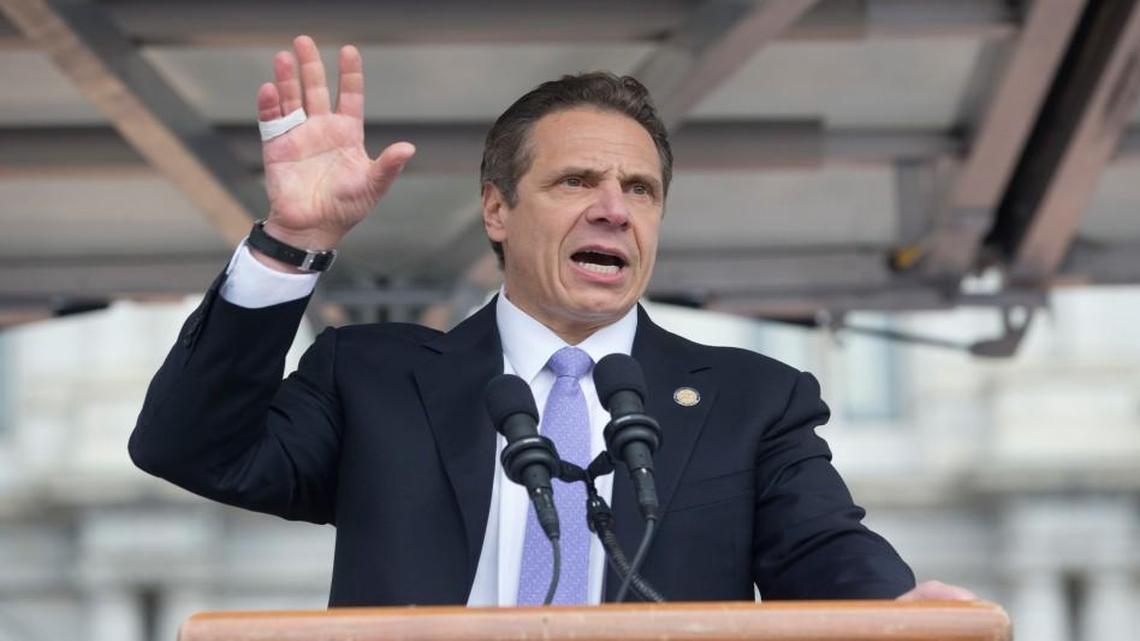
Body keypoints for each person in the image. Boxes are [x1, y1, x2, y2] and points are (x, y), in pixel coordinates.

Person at [129, 35, 975, 607]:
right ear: (496, 208)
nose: (615, 210)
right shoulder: (372, 376)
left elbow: (821, 547)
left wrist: (901, 608)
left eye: (639, 190)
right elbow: (189, 446)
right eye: (577, 182)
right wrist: (294, 240)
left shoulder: (755, 400)